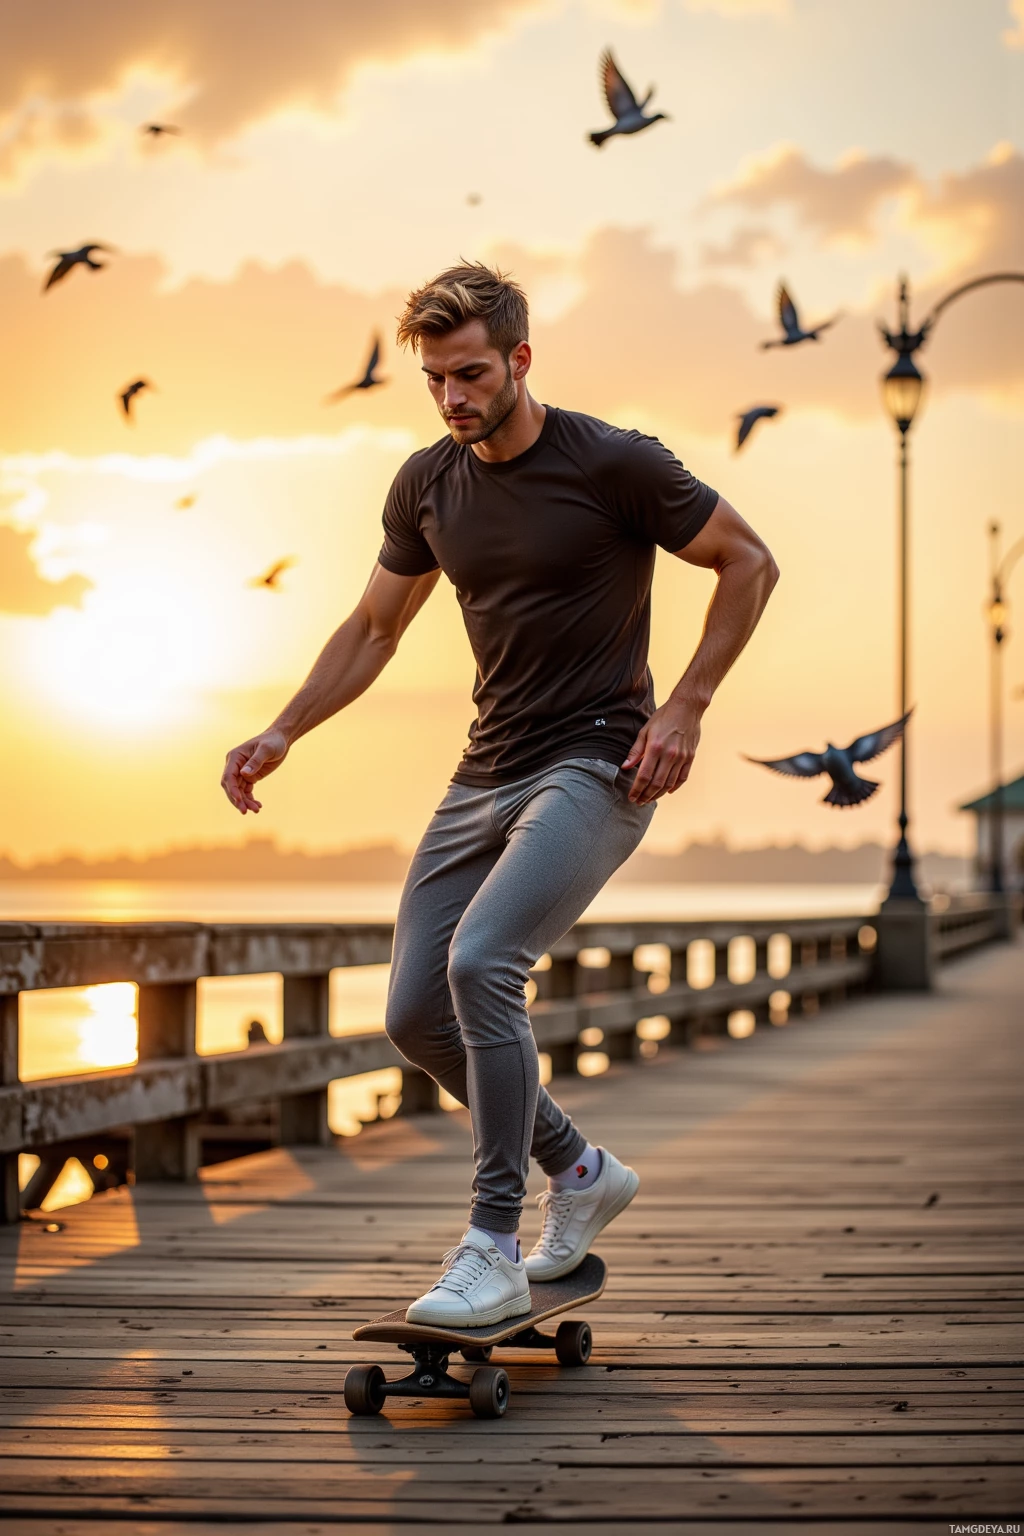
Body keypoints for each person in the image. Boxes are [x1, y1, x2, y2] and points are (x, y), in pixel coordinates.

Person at [221, 263, 778, 1328]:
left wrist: (688, 706)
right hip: (485, 771)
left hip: (600, 762)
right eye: (434, 379)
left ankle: (492, 1244)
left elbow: (746, 561)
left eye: (470, 373)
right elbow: (375, 628)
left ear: (521, 359)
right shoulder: (428, 483)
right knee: (415, 1012)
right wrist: (284, 726)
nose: (452, 397)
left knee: (482, 964)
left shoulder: (613, 462)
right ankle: (578, 1174)